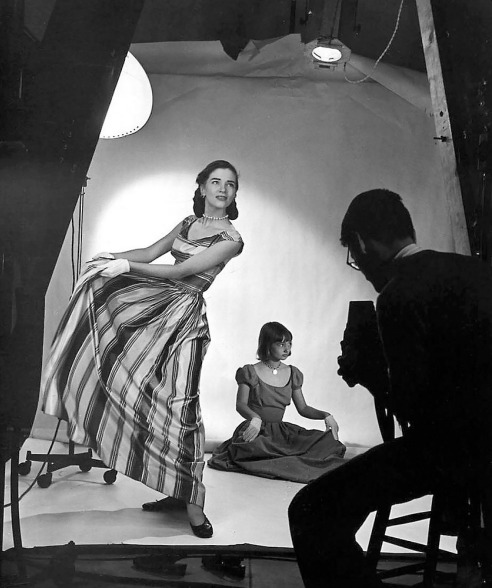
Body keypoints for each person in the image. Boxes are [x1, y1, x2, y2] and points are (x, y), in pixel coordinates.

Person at [288, 189, 492, 587]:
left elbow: (414, 406)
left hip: (451, 451)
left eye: (354, 254)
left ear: (362, 243)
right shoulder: (478, 271)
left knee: (312, 510)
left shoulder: (398, 295)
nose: (360, 267)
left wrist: (366, 373)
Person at [42, 160, 244, 538]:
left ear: (234, 194)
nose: (222, 189)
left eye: (229, 185)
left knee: (182, 408)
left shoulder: (231, 239)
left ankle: (194, 506)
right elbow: (151, 253)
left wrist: (125, 267)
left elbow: (181, 273)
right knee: (150, 401)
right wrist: (111, 258)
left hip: (184, 320)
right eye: (215, 182)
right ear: (201, 187)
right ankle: (173, 489)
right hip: (153, 312)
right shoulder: (186, 223)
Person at [208, 322, 345, 483]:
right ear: (267, 345)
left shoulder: (292, 372)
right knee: (252, 449)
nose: (287, 349)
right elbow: (241, 404)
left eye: (289, 343)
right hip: (256, 430)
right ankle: (283, 461)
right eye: (281, 344)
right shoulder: (249, 371)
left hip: (280, 432)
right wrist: (255, 419)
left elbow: (303, 408)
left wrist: (326, 415)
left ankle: (286, 460)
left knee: (329, 443)